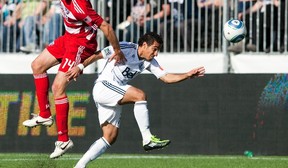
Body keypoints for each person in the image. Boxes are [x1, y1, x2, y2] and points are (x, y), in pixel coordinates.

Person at [22, 0, 126, 159]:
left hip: (81, 43)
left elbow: (105, 26)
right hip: (68, 37)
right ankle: (44, 114)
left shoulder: (79, 7)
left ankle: (63, 140)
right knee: (37, 65)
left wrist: (117, 50)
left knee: (58, 87)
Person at [65, 32, 206, 168]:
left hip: (114, 92)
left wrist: (187, 75)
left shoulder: (149, 61)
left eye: (158, 50)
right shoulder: (125, 48)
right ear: (144, 45)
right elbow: (98, 55)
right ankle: (147, 138)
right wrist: (80, 66)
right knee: (139, 95)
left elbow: (166, 78)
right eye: (154, 49)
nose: (156, 53)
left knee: (110, 137)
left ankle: (80, 165)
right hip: (104, 86)